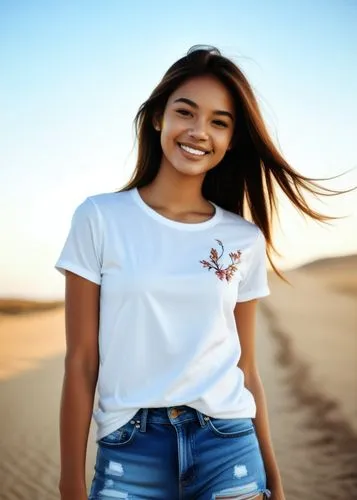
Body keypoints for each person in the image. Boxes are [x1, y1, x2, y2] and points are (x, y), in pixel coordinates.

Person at [55, 45, 343, 500]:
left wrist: (274, 476)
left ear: (231, 141)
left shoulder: (242, 239)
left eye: (219, 122)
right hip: (131, 448)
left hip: (227, 445)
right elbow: (81, 360)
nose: (198, 132)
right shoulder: (99, 218)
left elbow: (247, 367)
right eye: (185, 112)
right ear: (157, 118)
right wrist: (70, 482)